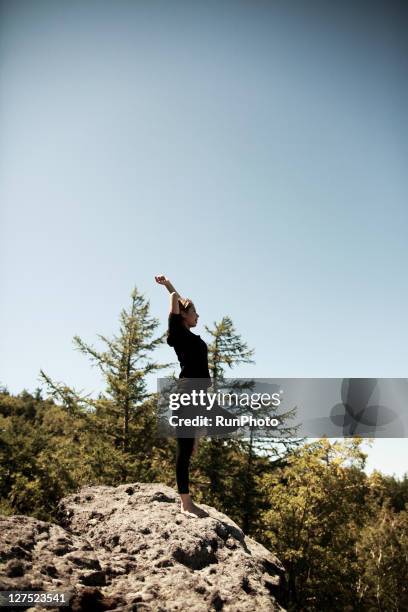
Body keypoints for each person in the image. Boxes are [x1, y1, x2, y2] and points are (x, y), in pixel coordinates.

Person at [155, 274, 210, 518]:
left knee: (191, 447)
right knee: (184, 450)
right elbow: (178, 300)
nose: (198, 316)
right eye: (195, 313)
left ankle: (187, 500)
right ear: (184, 316)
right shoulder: (178, 334)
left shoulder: (192, 337)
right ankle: (185, 503)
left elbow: (182, 301)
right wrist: (170, 290)